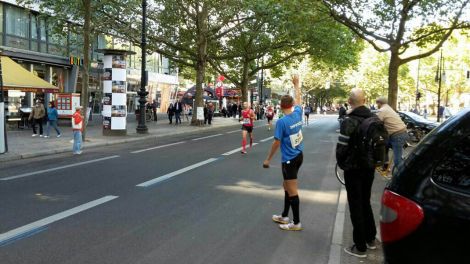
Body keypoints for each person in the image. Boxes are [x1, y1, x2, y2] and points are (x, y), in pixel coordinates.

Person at [336, 89, 377, 258]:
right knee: (365, 201)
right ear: (365, 100)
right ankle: (371, 238)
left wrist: (341, 163)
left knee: (355, 205)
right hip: (369, 167)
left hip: (353, 168)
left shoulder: (349, 120)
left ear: (349, 101)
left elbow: (342, 147)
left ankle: (360, 247)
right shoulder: (374, 118)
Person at [263, 95, 304, 231]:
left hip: (289, 159)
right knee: (286, 185)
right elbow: (299, 99)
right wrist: (297, 84)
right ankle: (285, 215)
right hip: (299, 155)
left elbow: (277, 142)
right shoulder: (298, 114)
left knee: (292, 190)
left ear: (280, 106)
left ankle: (296, 222)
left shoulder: (282, 122)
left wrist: (268, 159)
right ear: (292, 104)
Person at [375, 97, 408, 168]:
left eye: (377, 103)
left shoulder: (382, 110)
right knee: (384, 145)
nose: (377, 105)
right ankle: (385, 164)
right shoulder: (389, 108)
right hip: (402, 132)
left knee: (397, 161)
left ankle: (402, 174)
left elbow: (376, 123)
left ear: (379, 103)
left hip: (397, 135)